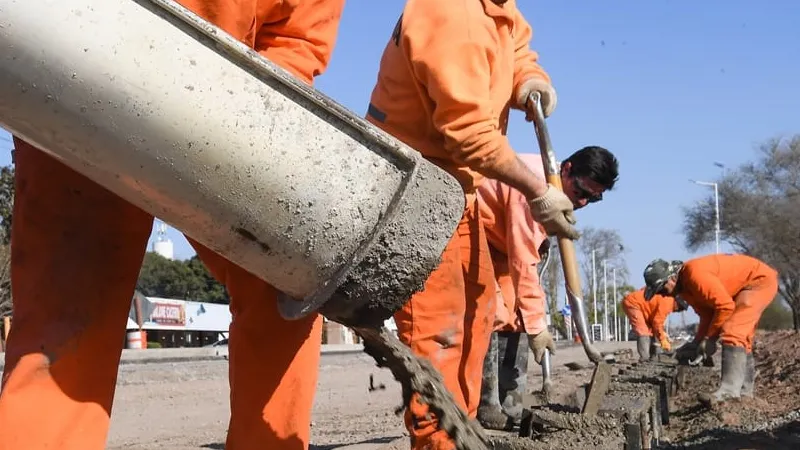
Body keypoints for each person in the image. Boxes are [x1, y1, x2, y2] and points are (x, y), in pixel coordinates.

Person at [0, 1, 346, 449]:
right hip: (85, 75)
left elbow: (298, 38)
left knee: (287, 282)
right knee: (66, 317)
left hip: (225, 112)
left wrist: (251, 116)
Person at [365, 0, 580, 448]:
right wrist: (536, 189)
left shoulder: (494, 6)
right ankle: (439, 442)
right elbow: (466, 134)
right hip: (412, 191)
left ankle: (463, 433)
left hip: (457, 188)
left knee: (478, 313)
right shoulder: (450, 13)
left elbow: (515, 40)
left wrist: (529, 78)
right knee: (438, 338)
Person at [476, 147, 619, 430]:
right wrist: (539, 326)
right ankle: (487, 405)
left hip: (498, 242)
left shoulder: (553, 194)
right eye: (580, 192)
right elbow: (523, 260)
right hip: (473, 231)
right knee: (492, 312)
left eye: (594, 198)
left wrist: (531, 318)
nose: (583, 202)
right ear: (565, 169)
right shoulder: (532, 188)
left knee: (516, 315)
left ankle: (512, 403)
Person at [642, 254, 779, 406]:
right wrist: (697, 342)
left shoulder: (694, 275)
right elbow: (707, 315)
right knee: (742, 338)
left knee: (733, 331)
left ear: (671, 278)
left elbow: (725, 307)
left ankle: (729, 392)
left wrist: (710, 339)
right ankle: (745, 394)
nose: (662, 295)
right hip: (745, 286)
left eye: (661, 289)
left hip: (758, 281)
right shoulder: (685, 289)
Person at [622, 287, 688, 361]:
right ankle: (645, 358)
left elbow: (655, 324)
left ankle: (654, 356)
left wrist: (662, 335)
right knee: (643, 332)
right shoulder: (668, 303)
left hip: (643, 308)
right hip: (633, 304)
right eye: (680, 308)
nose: (678, 311)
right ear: (677, 303)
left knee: (652, 331)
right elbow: (657, 323)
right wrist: (663, 340)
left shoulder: (667, 299)